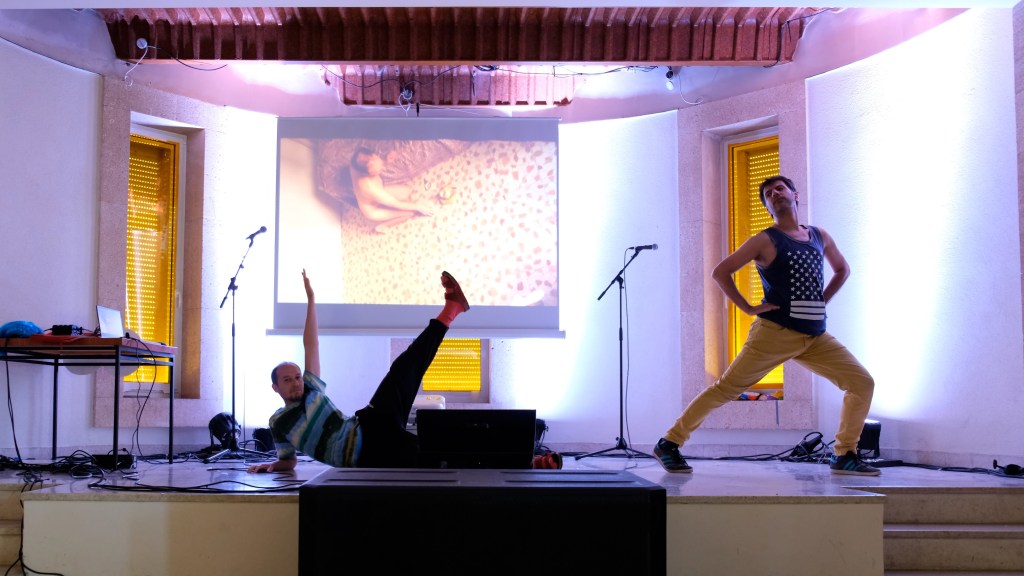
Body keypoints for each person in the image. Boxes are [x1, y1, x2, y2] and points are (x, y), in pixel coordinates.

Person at [654, 175, 879, 476]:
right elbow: (721, 272)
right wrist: (748, 308)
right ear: (768, 207)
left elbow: (842, 270)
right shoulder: (765, 240)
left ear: (795, 195)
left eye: (780, 189)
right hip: (774, 333)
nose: (775, 194)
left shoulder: (818, 235)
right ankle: (669, 442)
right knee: (726, 389)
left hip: (814, 336)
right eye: (769, 194)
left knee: (862, 383)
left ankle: (844, 454)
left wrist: (821, 300)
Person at [248, 268, 470, 472]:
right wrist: (271, 465)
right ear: (275, 387)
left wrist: (311, 299)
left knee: (403, 367)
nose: (296, 382)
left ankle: (452, 308)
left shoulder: (311, 389)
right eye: (287, 380)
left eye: (297, 377)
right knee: (433, 454)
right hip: (367, 456)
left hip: (368, 425)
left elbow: (311, 345)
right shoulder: (278, 422)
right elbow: (288, 461)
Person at [349, 146, 434, 232]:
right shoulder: (370, 188)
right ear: (367, 173)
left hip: (376, 194)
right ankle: (382, 226)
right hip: (373, 210)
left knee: (407, 191)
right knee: (410, 212)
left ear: (374, 155)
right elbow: (396, 204)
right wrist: (419, 207)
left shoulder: (355, 164)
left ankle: (385, 205)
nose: (382, 167)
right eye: (376, 170)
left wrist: (386, 160)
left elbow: (373, 162)